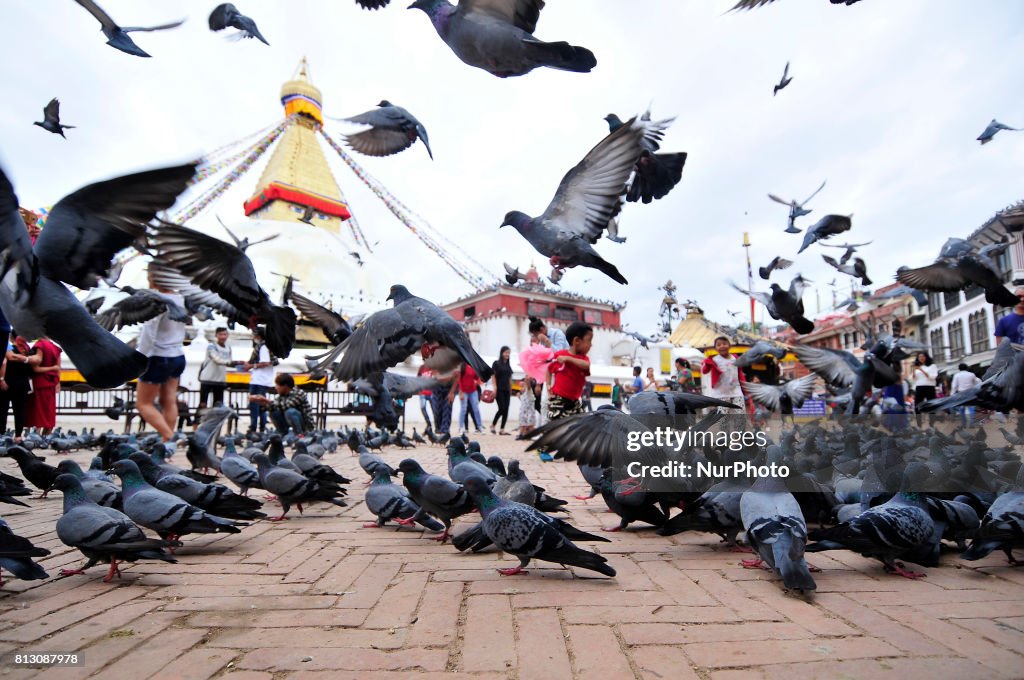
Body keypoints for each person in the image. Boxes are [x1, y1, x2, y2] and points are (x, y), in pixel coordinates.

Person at [134, 267, 186, 442]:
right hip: (177, 355)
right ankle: (165, 446)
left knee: (143, 404)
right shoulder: (180, 299)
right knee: (169, 400)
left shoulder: (154, 300)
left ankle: (169, 437)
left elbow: (149, 332)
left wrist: (139, 358)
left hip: (158, 356)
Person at [546, 321, 593, 423]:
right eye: (589, 341)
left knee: (580, 426)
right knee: (557, 427)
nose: (591, 345)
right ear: (577, 341)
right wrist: (548, 385)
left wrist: (568, 359)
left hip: (575, 402)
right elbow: (549, 369)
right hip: (559, 400)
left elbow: (586, 365)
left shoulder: (583, 359)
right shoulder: (559, 355)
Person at [250, 373, 315, 435]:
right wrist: (260, 402)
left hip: (305, 425)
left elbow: (287, 405)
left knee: (290, 412)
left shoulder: (299, 393)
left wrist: (266, 400)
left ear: (285, 386)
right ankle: (282, 433)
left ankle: (299, 434)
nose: (276, 387)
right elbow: (273, 406)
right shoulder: (282, 396)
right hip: (290, 421)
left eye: (277, 385)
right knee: (273, 411)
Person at [0, 334, 37, 439]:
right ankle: (18, 436)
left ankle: (2, 435)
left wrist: (1, 379)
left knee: (3, 411)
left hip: (6, 384)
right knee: (20, 411)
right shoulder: (27, 351)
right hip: (22, 385)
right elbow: (32, 370)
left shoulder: (7, 350)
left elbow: (5, 362)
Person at [243, 327, 275, 434]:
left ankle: (254, 428)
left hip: (259, 380)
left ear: (259, 336)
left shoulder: (263, 347)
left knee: (256, 406)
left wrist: (251, 365)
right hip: (262, 379)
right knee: (261, 405)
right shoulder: (268, 345)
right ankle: (261, 428)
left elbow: (265, 363)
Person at [701, 336, 745, 414]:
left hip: (736, 391)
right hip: (721, 393)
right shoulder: (713, 360)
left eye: (724, 344)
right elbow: (704, 371)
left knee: (740, 413)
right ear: (715, 348)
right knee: (723, 417)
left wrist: (744, 385)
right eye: (719, 345)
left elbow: (740, 372)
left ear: (729, 345)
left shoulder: (735, 358)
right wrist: (707, 364)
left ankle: (740, 427)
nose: (722, 346)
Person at [198, 327, 236, 409]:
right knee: (203, 403)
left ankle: (216, 421)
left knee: (218, 404)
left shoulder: (228, 348)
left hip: (220, 380)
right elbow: (217, 360)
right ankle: (198, 420)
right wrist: (230, 362)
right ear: (216, 335)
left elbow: (229, 361)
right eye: (220, 334)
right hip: (207, 378)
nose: (223, 337)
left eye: (225, 334)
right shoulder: (211, 346)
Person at [452, 362, 483, 435]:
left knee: (476, 408)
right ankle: (461, 427)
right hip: (464, 391)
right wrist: (460, 391)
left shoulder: (473, 366)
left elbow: (477, 377)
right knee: (464, 408)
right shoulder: (461, 367)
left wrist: (476, 382)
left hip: (473, 391)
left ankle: (479, 426)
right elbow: (459, 380)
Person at [490, 346, 513, 435]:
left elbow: (510, 377)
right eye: (506, 352)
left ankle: (502, 429)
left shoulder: (508, 364)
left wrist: (511, 389)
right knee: (502, 408)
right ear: (502, 353)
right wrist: (495, 388)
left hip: (507, 390)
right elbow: (493, 376)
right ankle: (493, 425)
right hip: (499, 390)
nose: (507, 354)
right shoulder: (496, 363)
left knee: (506, 409)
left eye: (508, 353)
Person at [950, 363, 982, 427]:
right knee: (971, 409)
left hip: (961, 394)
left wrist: (952, 394)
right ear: (967, 368)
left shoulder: (956, 375)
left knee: (961, 409)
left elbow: (954, 386)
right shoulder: (971, 374)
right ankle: (972, 424)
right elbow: (978, 382)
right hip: (970, 393)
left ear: (959, 369)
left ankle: (963, 424)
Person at [911, 351, 938, 426]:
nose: (921, 358)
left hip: (929, 386)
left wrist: (921, 370)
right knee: (917, 405)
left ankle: (931, 423)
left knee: (932, 405)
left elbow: (933, 377)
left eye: (923, 356)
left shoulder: (932, 366)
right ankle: (919, 422)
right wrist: (913, 371)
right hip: (919, 387)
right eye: (919, 357)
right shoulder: (917, 367)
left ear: (926, 357)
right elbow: (914, 379)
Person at [417, 364, 434, 430]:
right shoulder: (421, 368)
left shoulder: (433, 368)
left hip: (431, 392)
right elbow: (417, 379)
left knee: (434, 409)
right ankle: (428, 424)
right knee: (423, 408)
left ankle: (437, 425)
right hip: (422, 392)